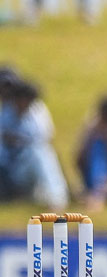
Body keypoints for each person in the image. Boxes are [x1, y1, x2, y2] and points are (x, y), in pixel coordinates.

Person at [0, 78, 69, 210]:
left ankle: (57, 198)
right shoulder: (5, 114)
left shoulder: (37, 114)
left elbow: (43, 139)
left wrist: (18, 140)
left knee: (39, 151)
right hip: (7, 170)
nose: (26, 104)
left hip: (27, 171)